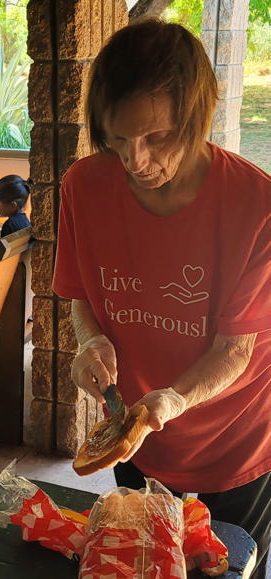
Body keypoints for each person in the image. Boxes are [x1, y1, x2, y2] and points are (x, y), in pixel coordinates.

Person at [52, 19, 270, 578]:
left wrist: (170, 402)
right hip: (138, 437)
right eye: (119, 139)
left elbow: (235, 351)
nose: (136, 161)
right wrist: (91, 339)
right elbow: (82, 293)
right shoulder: (84, 186)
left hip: (234, 445)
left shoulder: (255, 206)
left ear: (198, 120)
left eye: (158, 138)